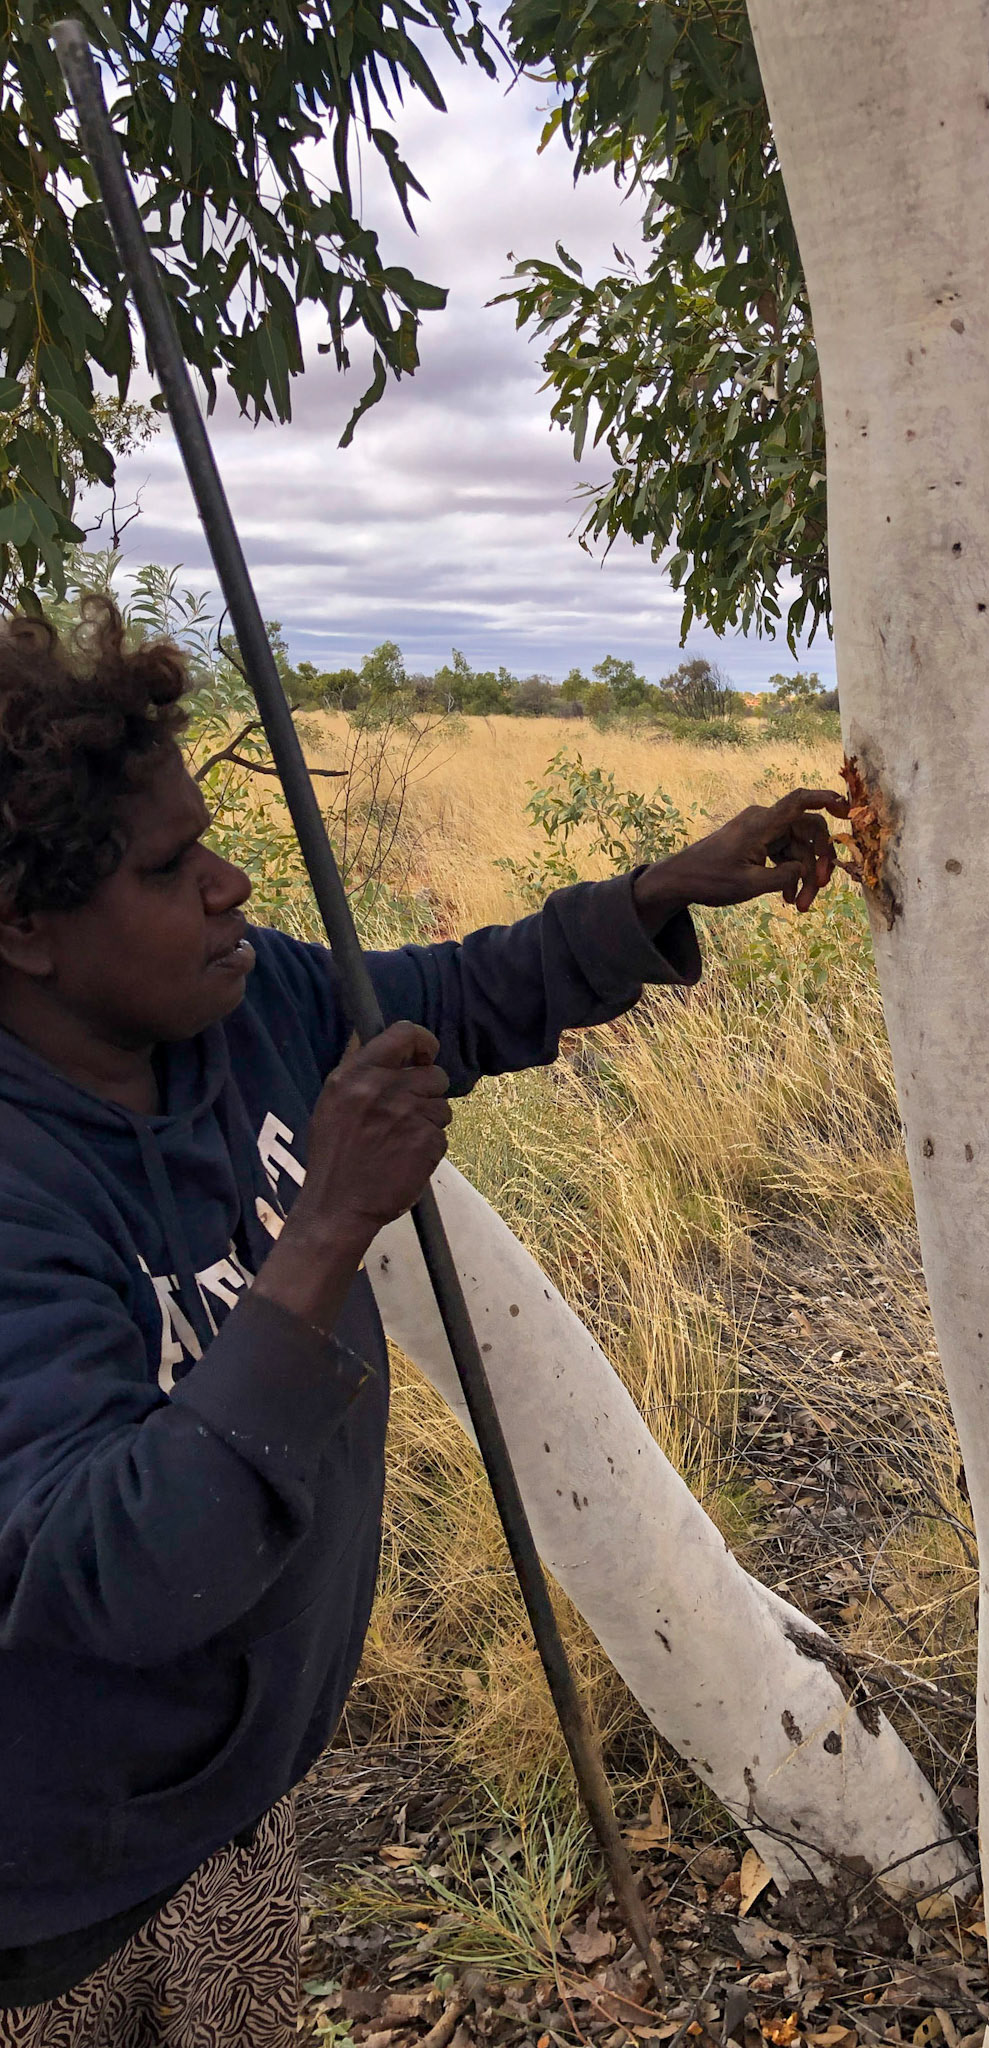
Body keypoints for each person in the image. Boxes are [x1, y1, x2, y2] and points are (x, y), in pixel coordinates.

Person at [0, 603, 847, 2047]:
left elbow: (460, 991)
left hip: (228, 1809)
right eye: (167, 870)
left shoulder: (242, 1013)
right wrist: (326, 1225)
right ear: (21, 927)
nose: (231, 884)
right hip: (42, 1885)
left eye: (209, 840)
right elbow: (118, 1567)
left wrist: (663, 892)